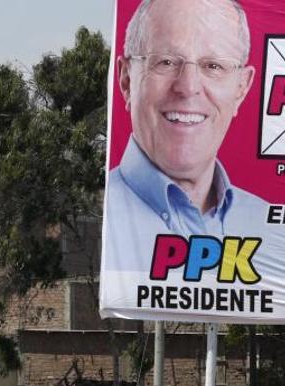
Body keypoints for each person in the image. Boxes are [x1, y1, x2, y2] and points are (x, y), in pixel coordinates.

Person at [103, 0, 268, 273]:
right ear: (126, 80)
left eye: (213, 66)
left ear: (242, 88)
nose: (188, 87)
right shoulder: (99, 217)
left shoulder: (268, 226)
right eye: (166, 62)